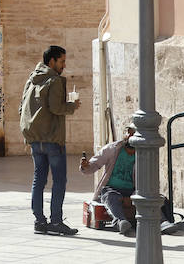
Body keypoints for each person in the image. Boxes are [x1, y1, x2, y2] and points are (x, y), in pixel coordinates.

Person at [20, 44, 81, 236]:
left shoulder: (32, 78)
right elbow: (56, 108)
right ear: (52, 61)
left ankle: (39, 221)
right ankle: (55, 221)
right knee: (59, 180)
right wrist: (71, 105)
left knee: (39, 179)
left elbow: (22, 106)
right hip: (52, 139)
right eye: (61, 61)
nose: (64, 65)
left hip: (34, 139)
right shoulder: (54, 80)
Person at [81, 125, 137, 235]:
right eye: (128, 133)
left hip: (133, 191)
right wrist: (86, 166)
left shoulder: (145, 153)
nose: (130, 136)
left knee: (151, 196)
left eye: (133, 133)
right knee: (110, 196)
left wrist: (131, 197)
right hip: (112, 189)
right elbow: (93, 165)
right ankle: (121, 222)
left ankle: (163, 223)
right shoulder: (112, 149)